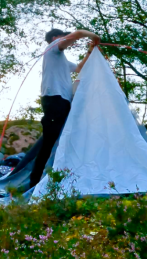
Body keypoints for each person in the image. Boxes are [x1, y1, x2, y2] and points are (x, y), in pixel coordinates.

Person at [29, 28, 101, 188]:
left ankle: (58, 179)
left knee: (61, 140)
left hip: (62, 102)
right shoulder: (53, 47)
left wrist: (90, 51)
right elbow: (77, 34)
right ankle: (34, 182)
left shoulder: (60, 58)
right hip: (55, 100)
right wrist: (92, 36)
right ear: (55, 37)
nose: (68, 39)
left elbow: (79, 68)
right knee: (49, 143)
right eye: (63, 36)